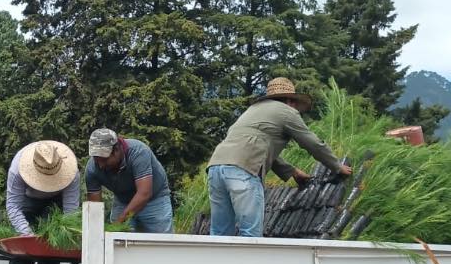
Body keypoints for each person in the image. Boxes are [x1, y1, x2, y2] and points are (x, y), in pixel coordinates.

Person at [206, 78, 352, 237]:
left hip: (216, 167)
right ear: (290, 100)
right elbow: (313, 144)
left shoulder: (253, 111)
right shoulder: (286, 111)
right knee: (250, 234)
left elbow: (257, 145)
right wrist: (337, 166)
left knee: (220, 234)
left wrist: (292, 172)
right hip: (243, 170)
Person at [3, 141, 80, 264]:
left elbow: (71, 210)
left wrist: (64, 231)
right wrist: (28, 236)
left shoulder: (71, 173)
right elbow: (13, 206)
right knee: (22, 246)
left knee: (51, 244)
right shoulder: (17, 169)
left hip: (56, 202)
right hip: (28, 200)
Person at [84, 128, 173, 233]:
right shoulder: (92, 169)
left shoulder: (138, 152)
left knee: (160, 244)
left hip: (154, 200)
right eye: (96, 159)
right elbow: (95, 208)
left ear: (117, 150)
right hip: (123, 201)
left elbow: (144, 193)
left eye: (104, 160)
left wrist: (119, 222)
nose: (100, 165)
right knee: (116, 243)